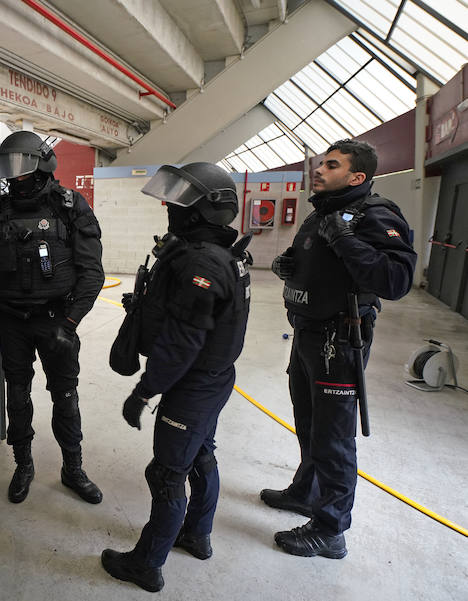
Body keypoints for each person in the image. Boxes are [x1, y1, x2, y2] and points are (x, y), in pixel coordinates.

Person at [261, 139, 416, 558]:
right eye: (321, 162)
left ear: (356, 177)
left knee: (333, 439)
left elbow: (396, 279)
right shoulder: (323, 212)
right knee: (308, 423)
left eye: (331, 165)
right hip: (308, 334)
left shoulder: (376, 214)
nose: (319, 169)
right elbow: (314, 261)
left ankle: (330, 530)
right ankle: (305, 492)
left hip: (340, 340)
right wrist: (287, 267)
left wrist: (346, 238)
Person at [101, 162, 251, 593]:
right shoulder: (221, 253)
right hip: (213, 379)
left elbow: (182, 343)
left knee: (166, 475)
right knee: (201, 454)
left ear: (205, 210)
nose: (170, 206)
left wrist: (144, 392)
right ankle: (197, 535)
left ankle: (147, 564)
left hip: (192, 384)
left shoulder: (201, 263)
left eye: (183, 200)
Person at [0, 131, 105, 505]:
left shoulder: (69, 206)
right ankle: (23, 465)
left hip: (56, 319)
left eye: (21, 170)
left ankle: (72, 468)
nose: (14, 179)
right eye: (8, 171)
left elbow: (92, 273)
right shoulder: (0, 211)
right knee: (17, 396)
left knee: (65, 397)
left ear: (42, 166)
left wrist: (71, 322)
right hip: (12, 320)